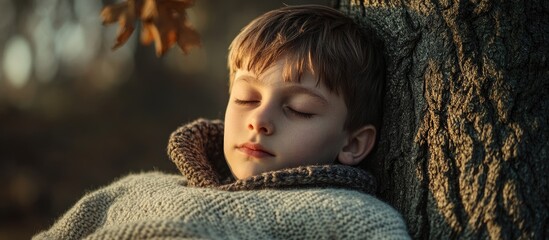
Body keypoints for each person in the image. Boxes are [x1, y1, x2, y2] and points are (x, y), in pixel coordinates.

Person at [34, 5, 409, 239]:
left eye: (299, 109)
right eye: (247, 98)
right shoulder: (137, 189)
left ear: (352, 144)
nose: (260, 119)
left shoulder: (356, 220)